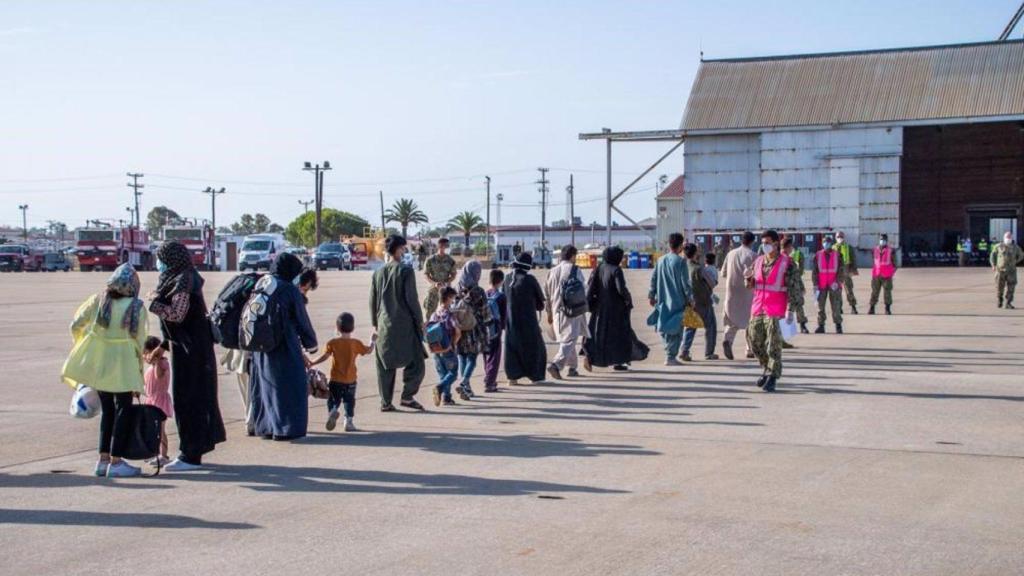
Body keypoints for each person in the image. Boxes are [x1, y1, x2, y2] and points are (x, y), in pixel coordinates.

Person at [62, 264, 149, 478]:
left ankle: (103, 460)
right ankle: (117, 461)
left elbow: (75, 324)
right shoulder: (137, 307)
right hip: (124, 363)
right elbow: (140, 341)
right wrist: (139, 371)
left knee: (107, 411)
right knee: (123, 410)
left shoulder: (98, 300)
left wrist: (85, 344)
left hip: (101, 362)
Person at [149, 241, 225, 471]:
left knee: (190, 400)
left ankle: (191, 455)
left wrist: (154, 303)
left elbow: (177, 314)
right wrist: (163, 346)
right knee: (188, 398)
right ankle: (191, 451)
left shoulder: (184, 280)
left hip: (193, 353)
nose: (159, 263)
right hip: (187, 348)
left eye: (161, 259)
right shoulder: (179, 277)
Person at [248, 253, 319, 441]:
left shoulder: (262, 283)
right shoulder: (289, 289)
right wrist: (311, 344)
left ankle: (266, 427)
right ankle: (286, 428)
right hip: (284, 345)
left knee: (265, 388)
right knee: (289, 387)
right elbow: (301, 319)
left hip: (260, 347)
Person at [370, 234, 427, 411]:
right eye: (403, 248)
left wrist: (375, 324)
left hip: (383, 325)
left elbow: (373, 301)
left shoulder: (378, 273)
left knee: (384, 365)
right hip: (405, 326)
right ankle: (407, 396)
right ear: (398, 249)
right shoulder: (405, 271)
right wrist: (420, 321)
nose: (404, 251)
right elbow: (412, 299)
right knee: (417, 362)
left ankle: (385, 402)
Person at [745, 230, 802, 392]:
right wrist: (747, 277)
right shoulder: (758, 261)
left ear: (776, 244)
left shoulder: (787, 263)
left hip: (775, 309)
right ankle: (767, 367)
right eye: (763, 243)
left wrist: (791, 309)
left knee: (773, 346)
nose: (764, 246)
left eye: (768, 243)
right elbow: (750, 285)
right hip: (758, 307)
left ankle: (772, 376)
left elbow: (794, 288)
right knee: (754, 341)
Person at [307, 312, 376, 432]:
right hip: (351, 380)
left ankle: (332, 411)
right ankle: (348, 421)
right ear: (353, 328)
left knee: (333, 399)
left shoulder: (332, 343)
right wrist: (372, 341)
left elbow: (325, 356)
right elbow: (369, 350)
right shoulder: (356, 343)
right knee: (349, 401)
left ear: (338, 328)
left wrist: (312, 362)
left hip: (336, 379)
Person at [582, 246, 636, 371]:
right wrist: (628, 299)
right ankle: (618, 361)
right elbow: (621, 289)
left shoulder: (599, 268)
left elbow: (592, 286)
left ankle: (590, 356)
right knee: (618, 335)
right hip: (615, 309)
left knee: (598, 334)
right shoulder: (616, 270)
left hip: (599, 308)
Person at [545, 245, 589, 379]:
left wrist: (549, 313)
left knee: (566, 339)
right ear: (573, 256)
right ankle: (556, 365)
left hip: (556, 310)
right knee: (571, 339)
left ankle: (572, 368)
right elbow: (583, 289)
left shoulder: (552, 271)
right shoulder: (575, 269)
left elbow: (547, 294)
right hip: (571, 310)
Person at [648, 233, 693, 366]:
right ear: (680, 246)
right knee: (676, 329)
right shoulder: (681, 262)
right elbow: (685, 284)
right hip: (677, 301)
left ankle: (669, 353)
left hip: (662, 299)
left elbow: (654, 279)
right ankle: (670, 356)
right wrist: (691, 299)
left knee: (664, 326)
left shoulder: (660, 260)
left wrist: (651, 295)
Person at [503, 252, 547, 384]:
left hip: (511, 322)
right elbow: (540, 303)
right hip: (528, 321)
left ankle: (513, 377)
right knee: (535, 348)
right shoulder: (529, 279)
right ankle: (536, 376)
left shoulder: (507, 279)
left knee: (512, 349)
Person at [454, 260, 490, 399]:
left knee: (462, 357)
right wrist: (489, 323)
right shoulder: (478, 291)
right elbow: (485, 312)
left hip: (459, 329)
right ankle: (464, 382)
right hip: (475, 329)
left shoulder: (457, 288)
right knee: (472, 358)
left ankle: (466, 388)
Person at [720, 231, 756, 359]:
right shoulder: (754, 256)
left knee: (732, 321)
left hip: (731, 292)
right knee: (751, 322)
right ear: (752, 242)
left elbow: (723, 273)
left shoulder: (730, 253)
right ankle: (749, 349)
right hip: (748, 294)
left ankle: (728, 341)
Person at [681, 243, 718, 361]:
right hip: (703, 301)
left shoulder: (683, 266)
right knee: (710, 326)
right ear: (695, 253)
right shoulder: (699, 269)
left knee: (691, 326)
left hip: (689, 301)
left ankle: (684, 351)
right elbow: (712, 283)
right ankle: (709, 353)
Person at [429, 287, 462, 406]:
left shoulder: (434, 314)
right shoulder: (449, 314)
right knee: (453, 373)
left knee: (443, 374)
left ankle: (446, 398)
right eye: (452, 298)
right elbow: (458, 332)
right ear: (448, 298)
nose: (453, 301)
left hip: (437, 350)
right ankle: (439, 387)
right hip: (447, 349)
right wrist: (453, 344)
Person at [142, 336, 173, 466]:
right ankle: (155, 453)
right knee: (152, 430)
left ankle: (164, 455)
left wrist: (157, 360)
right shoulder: (151, 367)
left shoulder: (162, 363)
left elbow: (158, 376)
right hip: (151, 400)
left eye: (145, 353)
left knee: (160, 429)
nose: (145, 357)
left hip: (160, 401)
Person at [812, 235, 846, 334]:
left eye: (828, 242)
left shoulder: (838, 255)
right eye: (824, 242)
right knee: (820, 307)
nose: (826, 244)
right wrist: (815, 284)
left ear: (831, 244)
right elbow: (815, 271)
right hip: (821, 284)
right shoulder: (818, 255)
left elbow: (841, 270)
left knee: (836, 306)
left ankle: (838, 326)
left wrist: (838, 281)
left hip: (834, 284)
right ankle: (821, 325)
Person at [483, 269, 508, 392]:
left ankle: (488, 376)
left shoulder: (484, 294)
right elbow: (504, 315)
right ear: (501, 281)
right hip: (495, 328)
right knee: (494, 356)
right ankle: (490, 382)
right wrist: (503, 327)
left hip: (484, 328)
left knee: (486, 354)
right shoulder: (501, 296)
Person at [422, 237, 457, 320]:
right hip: (433, 289)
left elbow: (453, 274)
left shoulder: (450, 260)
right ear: (438, 246)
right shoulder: (430, 260)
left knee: (446, 313)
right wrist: (434, 283)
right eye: (441, 245)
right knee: (429, 311)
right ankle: (429, 326)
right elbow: (426, 274)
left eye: (444, 245)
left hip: (446, 291)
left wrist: (446, 283)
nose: (443, 247)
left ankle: (444, 327)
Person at [781, 237, 810, 334]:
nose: (791, 248)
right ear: (787, 247)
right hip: (787, 290)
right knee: (789, 309)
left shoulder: (790, 259)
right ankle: (786, 330)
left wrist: (801, 287)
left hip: (795, 289)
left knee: (799, 306)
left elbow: (797, 275)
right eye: (790, 246)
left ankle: (802, 325)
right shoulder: (780, 260)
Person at [991, 231, 1024, 309]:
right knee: (999, 286)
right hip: (1000, 270)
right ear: (1004, 238)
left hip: (1011, 271)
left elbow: (1021, 255)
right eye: (1007, 237)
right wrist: (993, 265)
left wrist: (1015, 261)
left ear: (1012, 238)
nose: (1008, 238)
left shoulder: (1016, 247)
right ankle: (1000, 299)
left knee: (1011, 287)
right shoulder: (998, 246)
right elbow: (993, 256)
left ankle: (1008, 303)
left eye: (1009, 237)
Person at [869, 233, 897, 315]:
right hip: (876, 274)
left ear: (886, 241)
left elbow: (895, 264)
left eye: (884, 239)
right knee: (874, 292)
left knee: (887, 292)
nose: (882, 241)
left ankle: (887, 308)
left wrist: (891, 273)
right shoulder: (874, 250)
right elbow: (874, 261)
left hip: (887, 275)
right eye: (881, 239)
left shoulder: (891, 251)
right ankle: (872, 308)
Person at [835, 231, 858, 314]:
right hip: (836, 272)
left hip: (846, 271)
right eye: (838, 237)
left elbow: (853, 259)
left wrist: (853, 270)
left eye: (841, 236)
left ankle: (853, 307)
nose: (839, 238)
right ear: (835, 238)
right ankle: (839, 308)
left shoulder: (848, 247)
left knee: (849, 290)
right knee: (837, 292)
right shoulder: (833, 248)